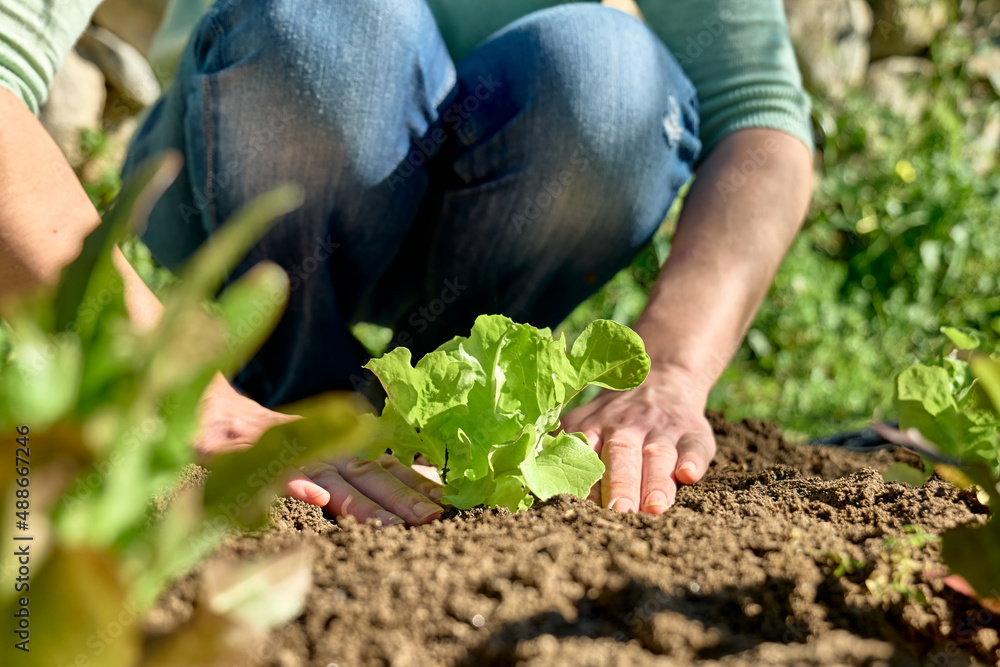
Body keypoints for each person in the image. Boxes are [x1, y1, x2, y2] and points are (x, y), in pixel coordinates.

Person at [0, 0, 813, 526]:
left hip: (508, 202)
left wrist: (669, 368)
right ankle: (286, 389)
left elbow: (762, 120)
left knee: (612, 75)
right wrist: (174, 374)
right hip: (247, 176)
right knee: (337, 25)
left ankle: (450, 418)